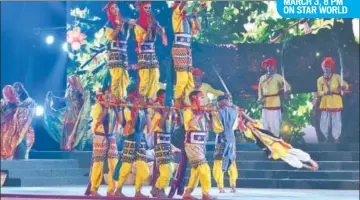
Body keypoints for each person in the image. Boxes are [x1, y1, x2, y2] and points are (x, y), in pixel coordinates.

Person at [241, 113, 319, 171]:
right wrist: (240, 120)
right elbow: (244, 128)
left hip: (278, 143)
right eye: (247, 125)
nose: (249, 125)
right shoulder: (251, 134)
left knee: (294, 152)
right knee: (289, 158)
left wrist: (242, 113)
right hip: (273, 148)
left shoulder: (259, 127)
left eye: (249, 123)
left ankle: (311, 162)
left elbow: (251, 119)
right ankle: (309, 167)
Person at [114, 85, 151, 198]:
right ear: (134, 97)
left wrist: (146, 110)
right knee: (126, 167)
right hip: (130, 140)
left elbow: (149, 126)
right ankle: (118, 189)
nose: (143, 98)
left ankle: (138, 191)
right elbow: (132, 125)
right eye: (140, 96)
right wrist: (134, 110)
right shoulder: (127, 109)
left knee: (143, 169)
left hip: (140, 141)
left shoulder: (143, 109)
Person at [183, 90, 217, 200]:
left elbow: (211, 128)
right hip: (192, 144)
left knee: (196, 170)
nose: (203, 100)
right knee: (204, 168)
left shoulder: (202, 111)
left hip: (201, 144)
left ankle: (187, 193)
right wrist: (199, 114)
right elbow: (190, 124)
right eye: (201, 97)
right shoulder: (188, 111)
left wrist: (211, 116)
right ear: (193, 98)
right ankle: (205, 194)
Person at [85, 89, 119, 196]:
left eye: (110, 94)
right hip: (100, 137)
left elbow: (120, 120)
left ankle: (111, 190)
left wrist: (116, 108)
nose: (109, 96)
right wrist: (106, 108)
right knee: (98, 163)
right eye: (106, 94)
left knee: (114, 163)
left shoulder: (113, 107)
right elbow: (99, 119)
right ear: (102, 95)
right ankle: (94, 189)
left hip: (111, 136)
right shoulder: (97, 107)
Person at [43, 75, 91, 151]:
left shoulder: (79, 91)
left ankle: (72, 145)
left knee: (73, 128)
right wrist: (55, 97)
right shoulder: (69, 89)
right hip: (69, 111)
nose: (69, 82)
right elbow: (66, 99)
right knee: (67, 128)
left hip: (75, 112)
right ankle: (67, 145)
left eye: (71, 80)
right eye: (69, 80)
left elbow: (80, 100)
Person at [134, 1, 167, 105]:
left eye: (149, 8)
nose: (148, 10)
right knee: (145, 77)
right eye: (146, 8)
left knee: (155, 75)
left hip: (152, 52)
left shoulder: (153, 20)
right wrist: (149, 28)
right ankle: (142, 97)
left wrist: (161, 32)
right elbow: (142, 39)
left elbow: (160, 32)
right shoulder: (138, 23)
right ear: (141, 9)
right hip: (143, 52)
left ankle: (149, 97)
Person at [102, 1, 136, 101]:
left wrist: (131, 22)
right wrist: (119, 25)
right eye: (112, 8)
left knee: (124, 76)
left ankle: (120, 97)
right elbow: (112, 37)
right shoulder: (109, 24)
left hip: (123, 52)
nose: (115, 9)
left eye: (116, 7)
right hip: (115, 53)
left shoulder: (124, 21)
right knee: (117, 75)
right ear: (109, 12)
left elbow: (134, 23)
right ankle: (114, 97)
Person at [150, 89, 180, 198]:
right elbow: (160, 126)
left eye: (169, 99)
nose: (168, 101)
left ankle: (157, 189)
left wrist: (177, 111)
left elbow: (178, 124)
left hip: (167, 144)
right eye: (164, 98)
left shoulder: (171, 113)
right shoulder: (157, 113)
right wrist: (166, 113)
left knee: (170, 169)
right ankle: (158, 189)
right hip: (160, 144)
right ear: (159, 99)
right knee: (166, 170)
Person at [172, 1, 201, 108]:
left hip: (187, 51)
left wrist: (195, 16)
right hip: (179, 49)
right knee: (182, 78)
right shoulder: (176, 16)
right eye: (184, 5)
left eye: (187, 6)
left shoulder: (188, 20)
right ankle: (177, 99)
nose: (186, 7)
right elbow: (182, 4)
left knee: (190, 81)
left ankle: (183, 99)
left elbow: (198, 29)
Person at [317, 57, 349, 143]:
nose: (326, 68)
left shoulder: (337, 77)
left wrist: (343, 87)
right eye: (325, 66)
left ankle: (336, 138)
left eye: (328, 66)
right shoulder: (319, 80)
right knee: (324, 120)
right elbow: (319, 92)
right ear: (322, 67)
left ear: (331, 67)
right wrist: (325, 92)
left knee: (336, 120)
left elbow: (346, 85)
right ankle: (326, 137)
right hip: (325, 102)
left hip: (336, 101)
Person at [258, 58, 291, 137]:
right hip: (265, 104)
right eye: (268, 66)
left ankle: (275, 140)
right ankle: (266, 141)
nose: (270, 67)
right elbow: (260, 90)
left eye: (271, 66)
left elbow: (287, 86)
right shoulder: (262, 78)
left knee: (275, 124)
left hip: (275, 103)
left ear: (274, 67)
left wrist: (287, 91)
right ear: (266, 67)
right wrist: (260, 99)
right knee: (265, 124)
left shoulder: (278, 77)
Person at [212, 95, 238, 193]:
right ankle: (233, 185)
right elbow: (235, 125)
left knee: (219, 161)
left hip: (222, 138)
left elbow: (216, 128)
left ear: (221, 101)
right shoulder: (235, 111)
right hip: (231, 138)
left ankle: (221, 187)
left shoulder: (217, 112)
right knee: (231, 160)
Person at [12, 82, 36, 159]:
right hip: (16, 124)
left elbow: (21, 104)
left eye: (17, 87)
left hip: (25, 124)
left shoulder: (28, 100)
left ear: (21, 89)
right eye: (14, 87)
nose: (15, 89)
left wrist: (13, 100)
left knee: (25, 140)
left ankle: (23, 159)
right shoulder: (14, 99)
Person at [1, 85, 21, 160]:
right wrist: (6, 114)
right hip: (4, 125)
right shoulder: (2, 102)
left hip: (14, 125)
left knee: (12, 142)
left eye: (9, 92)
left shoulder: (17, 102)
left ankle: (11, 157)